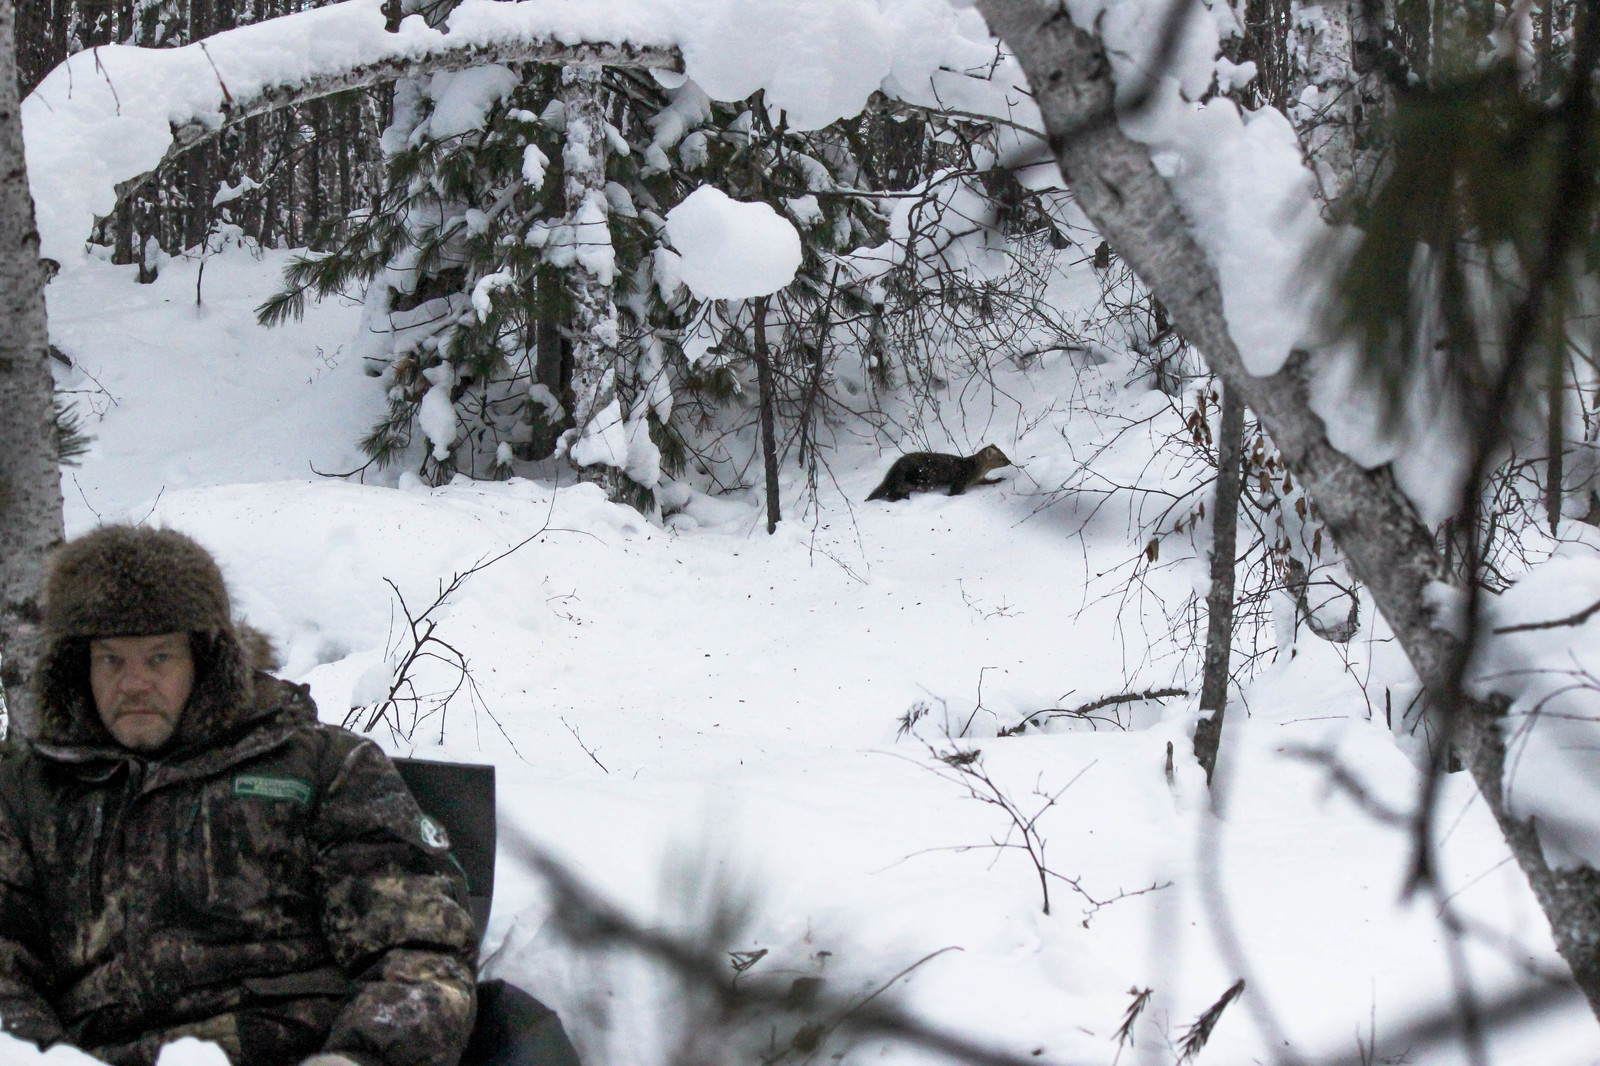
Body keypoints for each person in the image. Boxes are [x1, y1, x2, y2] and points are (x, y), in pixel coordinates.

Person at [0, 525, 479, 1066]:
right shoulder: (27, 795)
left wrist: (359, 1057)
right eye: (111, 660)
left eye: (158, 659)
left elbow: (419, 948)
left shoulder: (322, 769)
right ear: (77, 670)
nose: (133, 683)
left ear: (204, 663)